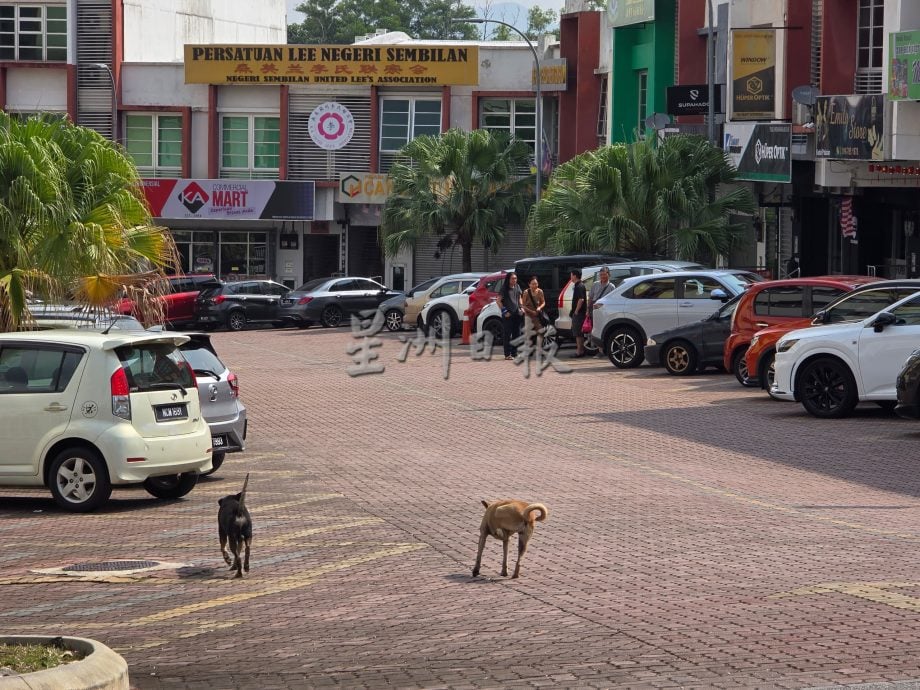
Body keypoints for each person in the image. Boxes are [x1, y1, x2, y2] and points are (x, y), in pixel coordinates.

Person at [588, 266, 615, 356]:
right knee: (595, 329)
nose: (602, 276)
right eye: (601, 275)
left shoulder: (611, 287)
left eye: (604, 274)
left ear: (609, 275)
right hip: (595, 310)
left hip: (605, 311)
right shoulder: (595, 284)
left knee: (604, 329)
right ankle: (599, 351)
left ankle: (604, 350)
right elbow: (591, 298)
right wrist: (588, 310)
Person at [496, 272, 523, 360]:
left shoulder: (517, 286)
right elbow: (498, 301)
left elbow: (519, 298)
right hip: (508, 315)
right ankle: (507, 354)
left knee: (517, 334)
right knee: (507, 335)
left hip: (517, 314)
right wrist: (504, 312)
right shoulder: (504, 288)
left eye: (515, 278)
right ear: (508, 279)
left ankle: (514, 353)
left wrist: (521, 307)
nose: (514, 280)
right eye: (512, 278)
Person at [521, 275, 547, 349]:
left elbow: (543, 302)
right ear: (529, 284)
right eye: (533, 284)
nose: (534, 285)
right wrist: (531, 312)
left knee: (540, 331)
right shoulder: (526, 292)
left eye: (536, 283)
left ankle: (539, 348)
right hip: (528, 315)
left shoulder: (540, 291)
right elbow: (523, 305)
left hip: (537, 315)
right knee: (529, 333)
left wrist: (539, 307)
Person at [569, 268, 587, 357]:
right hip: (579, 313)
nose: (570, 277)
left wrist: (576, 311)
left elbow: (581, 299)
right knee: (578, 333)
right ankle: (580, 350)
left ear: (575, 276)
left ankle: (579, 351)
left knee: (578, 333)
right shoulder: (578, 285)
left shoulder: (579, 286)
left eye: (571, 275)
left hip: (579, 313)